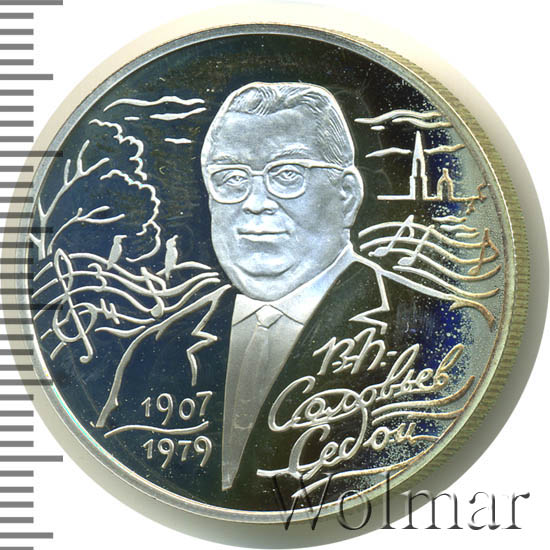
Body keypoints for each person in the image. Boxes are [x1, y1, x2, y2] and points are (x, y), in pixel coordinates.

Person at [200, 82, 387, 491]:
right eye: (231, 178)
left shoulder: (422, 329)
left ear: (347, 196)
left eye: (287, 174)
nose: (255, 202)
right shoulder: (160, 345)